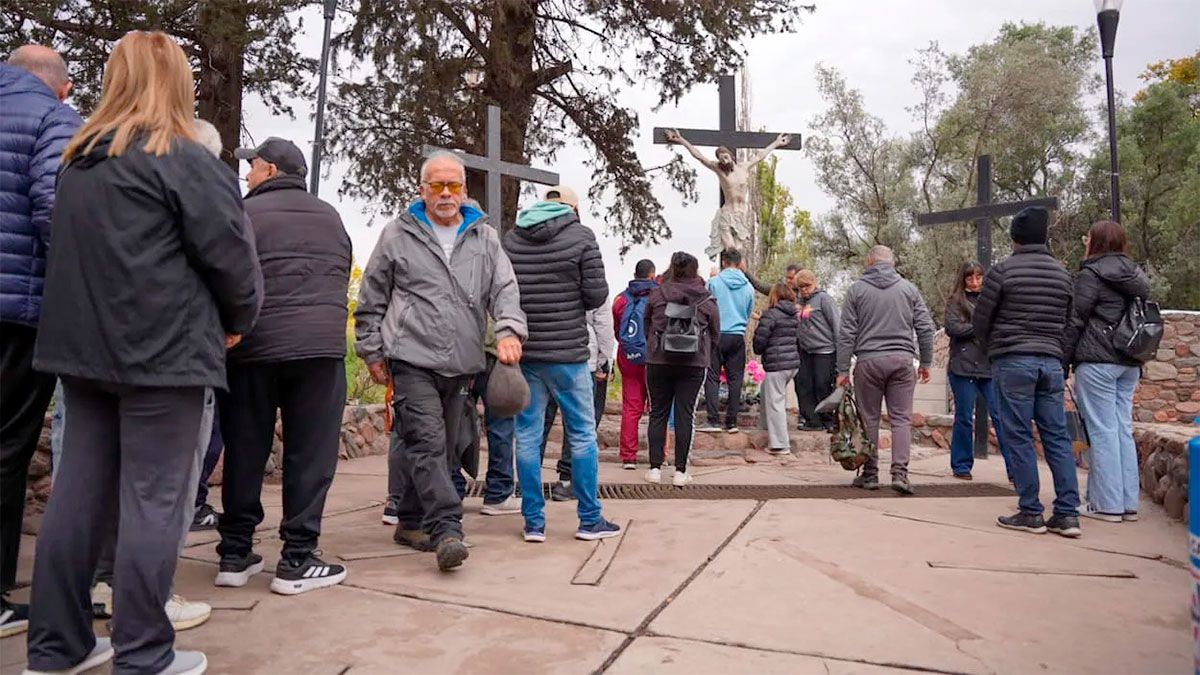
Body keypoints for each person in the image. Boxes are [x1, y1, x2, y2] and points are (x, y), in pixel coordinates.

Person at [26, 31, 261, 675]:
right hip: (164, 356)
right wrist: (237, 321)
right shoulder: (186, 161)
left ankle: (55, 648)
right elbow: (233, 262)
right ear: (178, 83)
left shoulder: (78, 163)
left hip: (83, 355)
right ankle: (143, 654)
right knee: (155, 501)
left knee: (76, 497)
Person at [356, 152, 526, 569]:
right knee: (428, 443)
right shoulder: (398, 234)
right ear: (423, 190)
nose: (446, 193)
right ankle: (448, 528)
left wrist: (508, 330)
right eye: (437, 185)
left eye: (453, 185)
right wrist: (371, 350)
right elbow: (373, 295)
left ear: (464, 190)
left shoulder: (484, 238)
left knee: (445, 449)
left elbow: (504, 289)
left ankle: (410, 520)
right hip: (411, 359)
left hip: (462, 363)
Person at [212, 136, 352, 596]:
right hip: (318, 352)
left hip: (251, 350)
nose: (247, 172)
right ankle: (296, 558)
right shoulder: (330, 216)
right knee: (309, 454)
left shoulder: (243, 212)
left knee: (244, 449)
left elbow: (226, 272)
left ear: (271, 170)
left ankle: (234, 554)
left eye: (252, 165)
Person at [0, 45, 82, 638]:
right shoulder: (54, 118)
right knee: (7, 449)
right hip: (18, 311)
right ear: (63, 86)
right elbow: (58, 209)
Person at [503, 185, 620, 544]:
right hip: (569, 353)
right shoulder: (582, 237)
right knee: (582, 434)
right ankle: (590, 519)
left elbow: (504, 292)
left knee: (527, 436)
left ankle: (533, 523)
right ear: (573, 208)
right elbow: (596, 296)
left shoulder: (512, 239)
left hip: (527, 353)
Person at [973, 206, 1080, 537]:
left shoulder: (1002, 272)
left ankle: (1031, 511)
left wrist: (993, 348)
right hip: (1050, 363)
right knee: (1057, 436)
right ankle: (1067, 514)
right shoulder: (1063, 275)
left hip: (1013, 360)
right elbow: (1071, 322)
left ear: (1015, 237)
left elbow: (981, 320)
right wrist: (1059, 355)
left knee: (1018, 434)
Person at [1064, 220, 1151, 523]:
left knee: (1102, 431)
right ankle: (1128, 503)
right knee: (1122, 429)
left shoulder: (1091, 274)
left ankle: (1106, 505)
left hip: (1097, 359)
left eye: (1087, 238)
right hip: (1129, 360)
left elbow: (1076, 319)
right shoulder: (1136, 274)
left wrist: (1063, 360)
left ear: (1096, 242)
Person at [836, 246, 935, 495]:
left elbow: (846, 333)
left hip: (868, 362)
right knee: (901, 419)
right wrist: (925, 362)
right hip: (902, 362)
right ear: (893, 264)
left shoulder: (857, 290)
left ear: (869, 263)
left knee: (869, 418)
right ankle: (900, 473)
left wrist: (842, 369)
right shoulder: (909, 289)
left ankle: (870, 474)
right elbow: (925, 327)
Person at [644, 252, 720, 485]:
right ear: (695, 271)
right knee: (685, 415)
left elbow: (647, 324)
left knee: (658, 413)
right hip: (693, 364)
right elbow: (716, 333)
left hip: (658, 361)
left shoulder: (657, 294)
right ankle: (680, 471)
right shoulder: (706, 300)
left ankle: (654, 468)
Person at [539, 299, 615, 499]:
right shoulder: (593, 287)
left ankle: (529, 479)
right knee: (578, 424)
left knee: (539, 423)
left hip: (543, 356)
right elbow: (604, 326)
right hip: (581, 360)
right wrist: (603, 361)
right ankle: (567, 479)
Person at [944, 261, 1009, 482]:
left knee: (1000, 416)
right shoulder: (955, 300)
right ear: (963, 279)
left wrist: (973, 327)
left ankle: (1015, 467)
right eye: (970, 278)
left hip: (988, 365)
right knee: (964, 416)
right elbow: (953, 328)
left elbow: (999, 327)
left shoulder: (991, 300)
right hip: (963, 366)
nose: (974, 282)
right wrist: (980, 327)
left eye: (978, 277)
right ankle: (961, 465)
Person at [700, 248, 754, 434]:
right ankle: (732, 422)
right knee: (735, 379)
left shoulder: (714, 283)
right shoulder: (748, 287)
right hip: (737, 335)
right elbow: (748, 311)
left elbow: (705, 307)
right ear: (739, 263)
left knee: (712, 376)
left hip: (716, 333)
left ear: (723, 262)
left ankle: (713, 420)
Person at [612, 260, 658, 469]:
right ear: (652, 275)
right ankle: (660, 454)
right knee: (658, 407)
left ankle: (629, 456)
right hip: (654, 356)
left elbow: (617, 331)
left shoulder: (621, 299)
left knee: (631, 407)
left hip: (628, 357)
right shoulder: (658, 297)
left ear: (634, 274)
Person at [752, 283, 802, 455]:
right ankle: (766, 429)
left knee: (775, 404)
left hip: (776, 364)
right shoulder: (795, 315)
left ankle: (780, 444)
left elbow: (760, 341)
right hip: (792, 363)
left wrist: (758, 348)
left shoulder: (771, 315)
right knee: (769, 394)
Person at [794, 270, 840, 431]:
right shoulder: (798, 302)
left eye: (807, 286)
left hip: (824, 350)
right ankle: (812, 420)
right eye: (801, 287)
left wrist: (841, 354)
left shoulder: (824, 299)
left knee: (823, 385)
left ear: (814, 283)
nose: (804, 290)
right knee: (804, 385)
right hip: (804, 350)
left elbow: (837, 325)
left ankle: (828, 419)